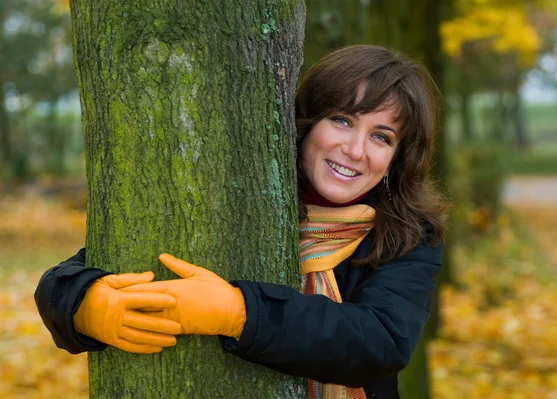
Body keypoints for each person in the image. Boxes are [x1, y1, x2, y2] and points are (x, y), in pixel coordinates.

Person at [35, 44, 448, 399]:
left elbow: (379, 342)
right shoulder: (245, 196)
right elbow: (64, 277)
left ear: (398, 157)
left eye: (381, 136)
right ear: (306, 123)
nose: (355, 149)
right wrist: (82, 306)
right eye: (341, 120)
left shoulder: (411, 236)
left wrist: (239, 312)